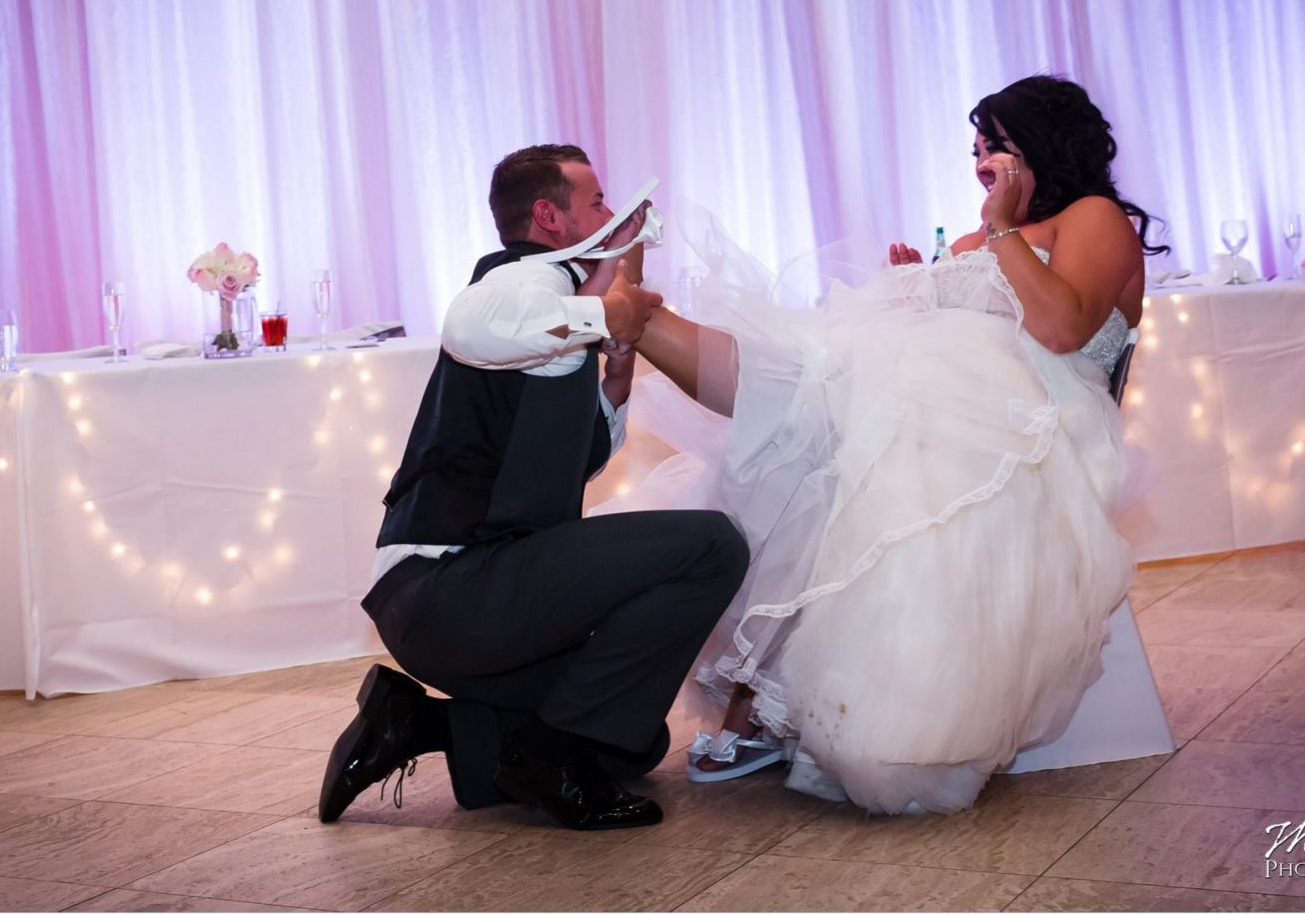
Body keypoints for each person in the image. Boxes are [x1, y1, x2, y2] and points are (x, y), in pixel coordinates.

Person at [624, 75, 1168, 813]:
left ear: (1044, 145)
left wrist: (1000, 231)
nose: (981, 161)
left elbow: (1063, 329)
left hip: (1031, 418)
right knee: (817, 407)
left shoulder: (1092, 216)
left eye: (997, 146)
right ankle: (660, 330)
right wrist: (925, 286)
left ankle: (645, 327)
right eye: (976, 148)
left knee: (854, 432)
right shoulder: (982, 236)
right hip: (947, 390)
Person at [318, 144, 749, 831]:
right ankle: (545, 756)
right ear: (549, 215)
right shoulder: (520, 282)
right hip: (449, 587)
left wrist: (613, 374)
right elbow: (467, 324)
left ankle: (412, 722)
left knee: (633, 742)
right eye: (597, 201)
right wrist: (604, 315)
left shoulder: (556, 306)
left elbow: (568, 459)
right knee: (713, 546)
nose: (612, 214)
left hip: (458, 601)